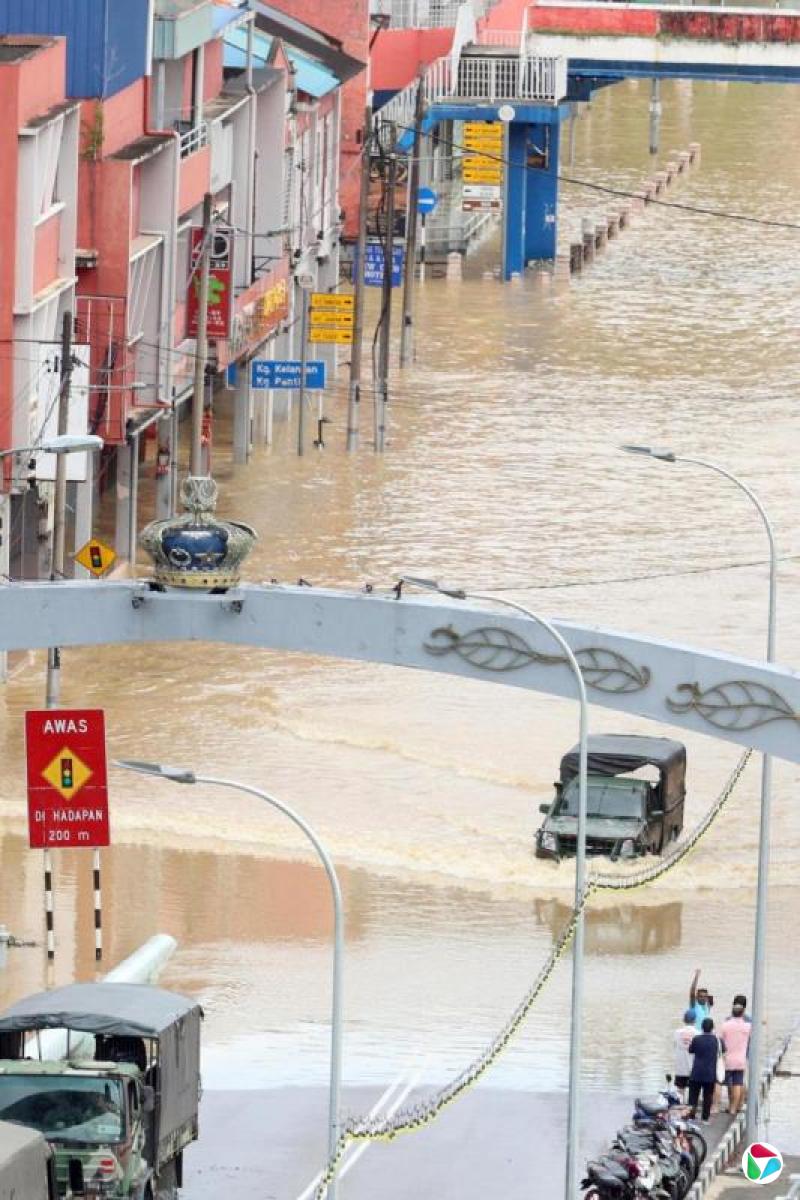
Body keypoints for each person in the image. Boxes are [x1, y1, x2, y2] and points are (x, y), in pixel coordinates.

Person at [721, 999, 752, 1115]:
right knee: (738, 1083)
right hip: (742, 1058)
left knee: (728, 1083)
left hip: (727, 1058)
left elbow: (721, 1040)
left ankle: (730, 1105)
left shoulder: (726, 1024)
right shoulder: (748, 1025)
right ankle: (735, 1107)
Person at [688, 1017, 720, 1124]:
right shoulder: (716, 1040)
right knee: (707, 1097)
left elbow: (690, 1050)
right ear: (712, 1028)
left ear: (702, 1027)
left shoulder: (696, 1039)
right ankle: (705, 1118)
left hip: (696, 1072)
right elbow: (722, 1052)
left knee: (693, 1096)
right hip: (710, 1073)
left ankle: (691, 1116)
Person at [673, 1010, 696, 1100]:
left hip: (680, 1067)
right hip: (693, 1067)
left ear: (684, 1019)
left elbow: (675, 1046)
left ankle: (680, 1108)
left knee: (680, 1091)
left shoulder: (677, 1032)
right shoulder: (697, 1033)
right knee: (693, 1090)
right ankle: (690, 1108)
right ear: (695, 1020)